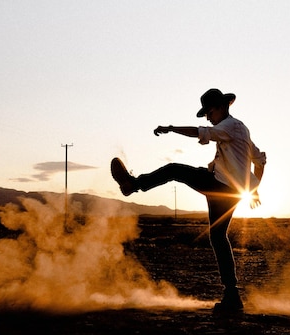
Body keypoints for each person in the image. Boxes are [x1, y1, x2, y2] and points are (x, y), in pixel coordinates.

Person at [111, 88, 266, 314]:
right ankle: (232, 295)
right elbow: (260, 159)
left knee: (175, 169)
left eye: (210, 112)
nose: (208, 117)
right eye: (206, 114)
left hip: (220, 186)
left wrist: (171, 128)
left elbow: (199, 132)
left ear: (223, 107)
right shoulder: (240, 129)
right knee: (218, 237)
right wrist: (253, 188)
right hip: (229, 192)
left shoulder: (230, 126)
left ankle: (132, 185)